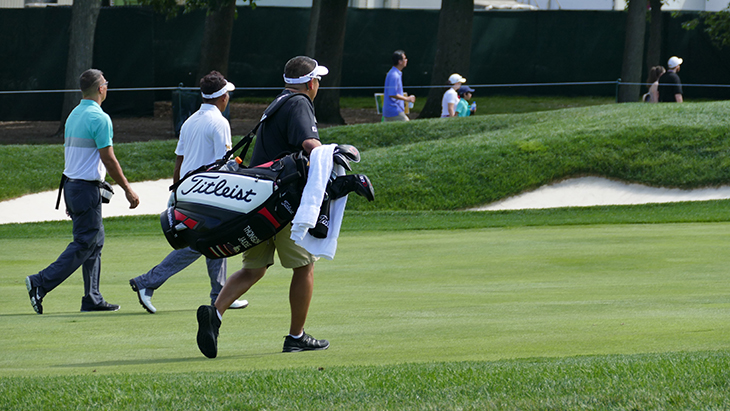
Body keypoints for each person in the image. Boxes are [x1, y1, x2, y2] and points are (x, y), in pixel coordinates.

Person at [196, 56, 330, 358]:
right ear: (310, 83)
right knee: (304, 266)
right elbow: (309, 143)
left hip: (260, 202)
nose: (318, 84)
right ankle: (296, 336)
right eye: (317, 80)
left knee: (253, 269)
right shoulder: (299, 103)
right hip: (283, 202)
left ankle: (214, 315)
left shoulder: (278, 102)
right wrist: (332, 157)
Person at [129, 71, 248, 314]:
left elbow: (178, 163)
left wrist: (176, 194)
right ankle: (147, 282)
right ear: (222, 97)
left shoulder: (190, 120)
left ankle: (220, 295)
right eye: (228, 94)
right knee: (201, 244)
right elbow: (221, 166)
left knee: (216, 240)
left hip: (187, 192)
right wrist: (237, 169)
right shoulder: (220, 122)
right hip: (206, 194)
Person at [25, 68, 140, 314]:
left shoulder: (74, 114)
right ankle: (40, 282)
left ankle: (92, 298)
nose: (107, 87)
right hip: (85, 190)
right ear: (100, 89)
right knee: (85, 242)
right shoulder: (100, 118)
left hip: (73, 187)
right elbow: (108, 159)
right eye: (105, 84)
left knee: (95, 241)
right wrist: (128, 189)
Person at [383, 50, 416, 122]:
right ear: (400, 61)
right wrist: (407, 99)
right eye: (404, 58)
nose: (406, 60)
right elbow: (392, 94)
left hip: (390, 110)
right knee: (409, 128)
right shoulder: (394, 75)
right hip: (394, 110)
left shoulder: (394, 73)